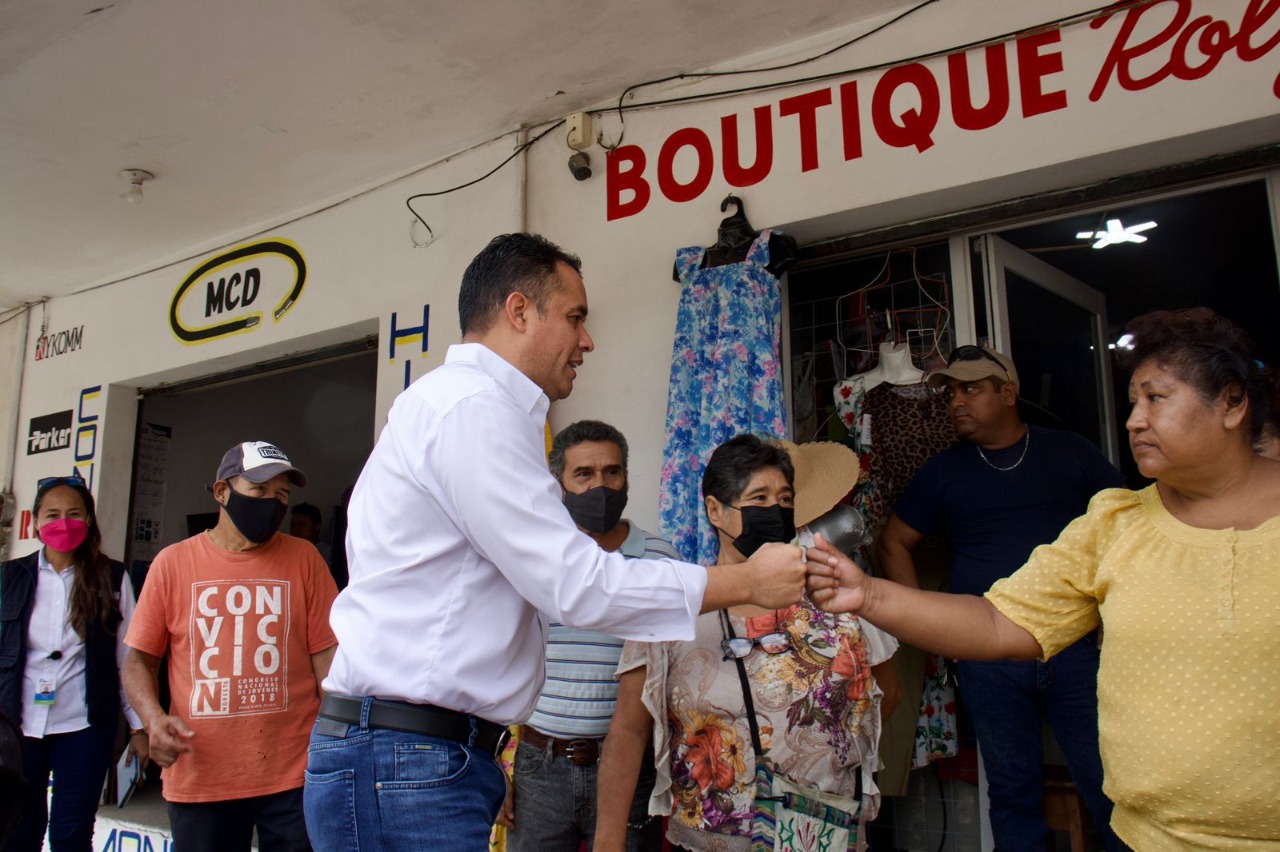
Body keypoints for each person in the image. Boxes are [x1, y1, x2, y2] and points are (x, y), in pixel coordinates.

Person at [304, 233, 815, 852]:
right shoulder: (472, 409)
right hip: (406, 757)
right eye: (575, 318)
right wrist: (750, 581)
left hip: (420, 754)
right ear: (520, 311)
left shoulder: (464, 408)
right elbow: (579, 585)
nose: (587, 340)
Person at [806, 307, 1280, 849]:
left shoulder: (1070, 455)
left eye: (1156, 398)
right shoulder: (1116, 523)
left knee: (1093, 784)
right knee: (1013, 789)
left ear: (1232, 402)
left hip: (1079, 662)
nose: (1133, 421)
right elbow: (997, 621)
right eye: (1133, 403)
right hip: (1147, 837)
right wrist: (869, 594)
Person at [595, 435, 899, 852]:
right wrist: (608, 840)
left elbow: (887, 693)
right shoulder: (673, 610)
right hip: (712, 838)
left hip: (820, 834)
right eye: (758, 498)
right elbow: (629, 730)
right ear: (715, 510)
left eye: (785, 499)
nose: (775, 511)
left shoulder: (838, 599)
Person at [875, 344, 1125, 850]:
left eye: (970, 389)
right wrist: (925, 623)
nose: (956, 402)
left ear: (1008, 393)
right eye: (950, 393)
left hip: (1075, 645)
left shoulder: (1069, 452)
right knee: (1012, 791)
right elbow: (892, 542)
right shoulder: (944, 471)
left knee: (1112, 787)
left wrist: (1114, 615)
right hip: (986, 655)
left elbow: (1127, 529)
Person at [122, 442, 339, 852]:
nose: (273, 503)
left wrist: (336, 743)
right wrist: (153, 720)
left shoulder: (305, 559)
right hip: (201, 773)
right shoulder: (172, 563)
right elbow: (138, 661)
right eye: (259, 490)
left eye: (282, 494)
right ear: (222, 492)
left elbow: (327, 658)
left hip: (294, 772)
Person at [501, 419, 678, 852]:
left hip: (631, 771)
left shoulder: (662, 561)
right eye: (583, 474)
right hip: (538, 768)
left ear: (627, 478)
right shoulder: (534, 560)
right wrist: (497, 768)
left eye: (611, 472)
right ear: (558, 485)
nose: (600, 485)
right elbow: (496, 659)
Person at [1, 475, 148, 852]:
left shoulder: (112, 578)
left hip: (84, 727)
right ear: (35, 522)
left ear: (88, 521)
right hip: (18, 729)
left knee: (71, 834)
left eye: (74, 514)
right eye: (52, 515)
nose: (63, 523)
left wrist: (138, 727)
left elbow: (128, 658)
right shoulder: (9, 577)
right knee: (18, 832)